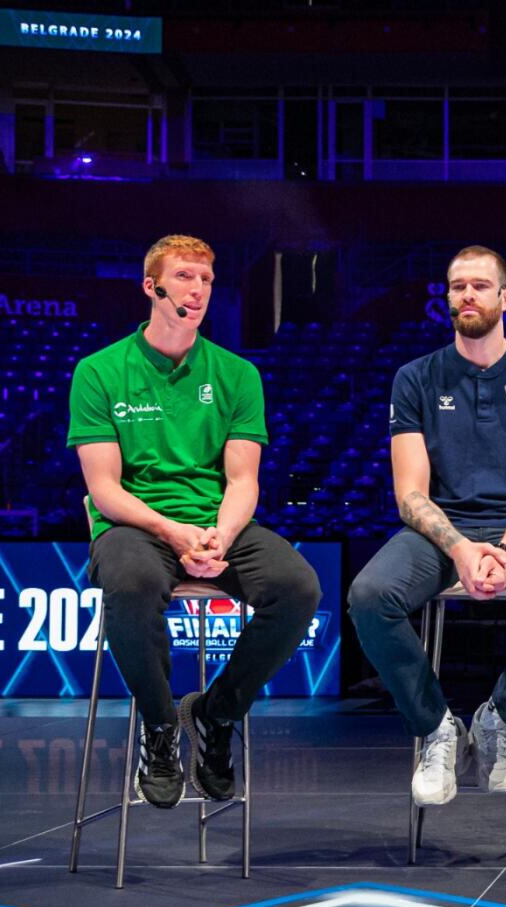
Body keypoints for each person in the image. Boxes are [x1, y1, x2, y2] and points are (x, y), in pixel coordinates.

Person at [68, 234, 321, 808]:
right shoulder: (99, 371)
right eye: (184, 276)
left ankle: (216, 713)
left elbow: (243, 481)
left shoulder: (237, 374)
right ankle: (160, 729)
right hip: (135, 526)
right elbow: (104, 489)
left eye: (206, 279)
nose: (198, 289)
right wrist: (173, 532)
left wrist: (220, 537)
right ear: (151, 287)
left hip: (216, 524)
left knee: (298, 587)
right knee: (131, 583)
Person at [348, 245, 506, 807]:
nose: (467, 295)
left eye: (480, 286)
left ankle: (500, 716)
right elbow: (410, 494)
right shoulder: (415, 378)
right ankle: (437, 728)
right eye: (457, 286)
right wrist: (460, 548)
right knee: (369, 596)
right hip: (440, 529)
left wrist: (503, 548)